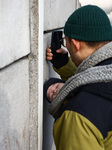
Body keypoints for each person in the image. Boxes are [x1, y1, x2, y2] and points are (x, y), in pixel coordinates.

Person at [46, 5, 112, 150]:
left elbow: (93, 91)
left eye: (66, 41)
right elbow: (97, 83)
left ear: (75, 44)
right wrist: (64, 64)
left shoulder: (78, 115)